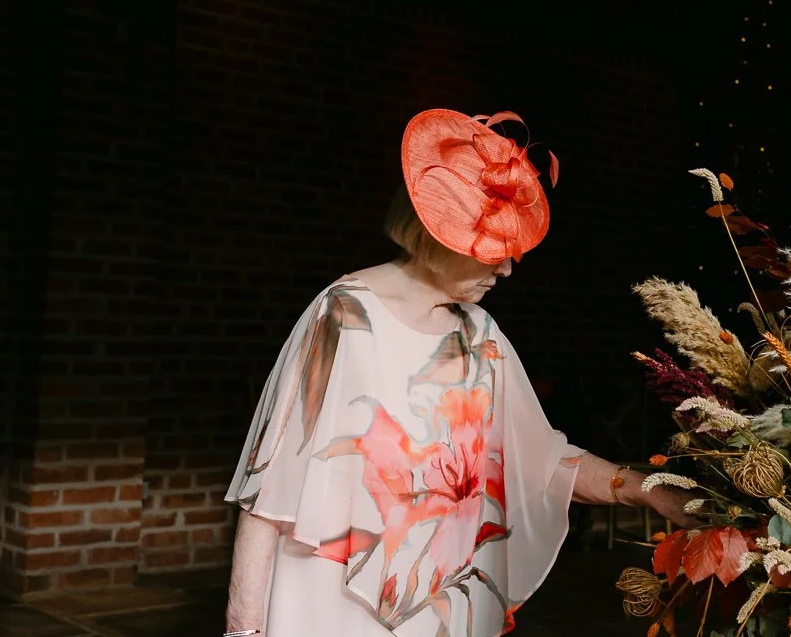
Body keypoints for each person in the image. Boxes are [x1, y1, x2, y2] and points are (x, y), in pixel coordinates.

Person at [222, 109, 699, 637]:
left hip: (444, 608)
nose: (506, 268)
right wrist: (243, 630)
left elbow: (542, 461)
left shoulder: (481, 334)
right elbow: (267, 495)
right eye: (493, 251)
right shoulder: (345, 317)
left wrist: (649, 490)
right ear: (439, 235)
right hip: (332, 605)